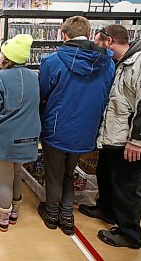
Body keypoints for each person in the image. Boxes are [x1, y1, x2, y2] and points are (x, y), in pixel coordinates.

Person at [80, 25, 141, 249]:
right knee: (107, 175)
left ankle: (130, 233)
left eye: (99, 43)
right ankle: (107, 209)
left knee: (127, 185)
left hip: (133, 140)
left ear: (109, 41)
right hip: (115, 136)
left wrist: (137, 140)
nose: (97, 48)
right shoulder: (122, 63)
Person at [38, 16, 114, 236]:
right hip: (86, 129)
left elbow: (43, 93)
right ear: (89, 35)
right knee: (69, 174)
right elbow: (107, 92)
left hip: (56, 127)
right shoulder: (106, 63)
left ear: (64, 35)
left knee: (54, 174)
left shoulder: (53, 61)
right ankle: (67, 217)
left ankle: (52, 214)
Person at [0, 34, 41, 232]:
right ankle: (14, 211)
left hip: (7, 138)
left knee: (4, 178)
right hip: (30, 135)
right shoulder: (34, 77)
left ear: (7, 57)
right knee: (17, 173)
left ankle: (1, 216)